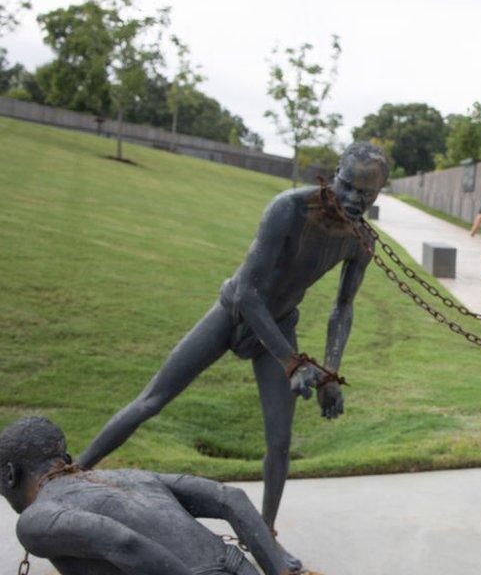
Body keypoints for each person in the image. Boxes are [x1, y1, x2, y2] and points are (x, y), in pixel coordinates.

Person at [76, 142, 391, 573]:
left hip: (278, 324)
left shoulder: (360, 240)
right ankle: (71, 476)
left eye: (367, 195)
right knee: (151, 401)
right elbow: (247, 293)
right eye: (349, 187)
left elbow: (343, 307)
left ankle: (268, 535)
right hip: (233, 313)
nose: (356, 200)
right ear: (334, 174)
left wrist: (331, 373)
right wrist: (292, 362)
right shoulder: (289, 209)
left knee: (279, 443)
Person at [2, 417, 291, 575]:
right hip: (235, 563)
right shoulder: (130, 476)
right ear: (65, 457)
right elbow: (230, 497)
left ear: (10, 475)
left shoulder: (36, 518)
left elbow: (123, 542)